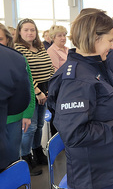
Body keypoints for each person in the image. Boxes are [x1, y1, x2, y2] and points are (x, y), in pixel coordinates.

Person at [47, 9, 113, 189]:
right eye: (110, 40)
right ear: (94, 38)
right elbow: (77, 134)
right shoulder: (77, 79)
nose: (112, 46)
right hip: (97, 176)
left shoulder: (96, 66)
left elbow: (99, 108)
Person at [15, 18, 54, 175]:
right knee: (30, 128)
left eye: (32, 30)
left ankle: (37, 151)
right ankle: (25, 158)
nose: (30, 32)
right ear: (19, 32)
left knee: (39, 126)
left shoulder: (40, 47)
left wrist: (50, 87)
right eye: (26, 30)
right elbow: (25, 73)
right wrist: (38, 91)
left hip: (45, 89)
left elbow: (49, 67)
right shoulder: (18, 48)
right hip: (30, 91)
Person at [0, 24, 35, 167]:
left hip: (13, 117)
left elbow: (28, 88)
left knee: (12, 156)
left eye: (0, 39)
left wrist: (27, 113)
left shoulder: (17, 59)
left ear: (8, 40)